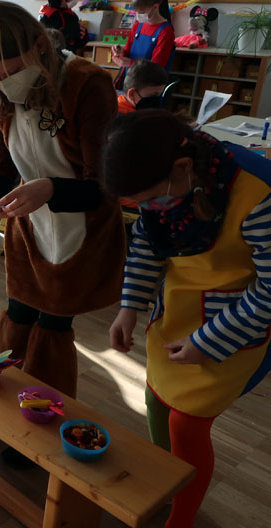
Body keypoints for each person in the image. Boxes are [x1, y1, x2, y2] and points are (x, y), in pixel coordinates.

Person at [0, 2, 125, 400]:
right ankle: (0, 398)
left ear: (39, 47)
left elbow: (104, 185)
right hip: (29, 225)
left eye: (11, 72)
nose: (5, 84)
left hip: (79, 227)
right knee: (18, 312)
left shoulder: (86, 84)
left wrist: (50, 189)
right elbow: (1, 163)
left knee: (52, 326)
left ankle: (42, 410)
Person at [106, 109, 271, 528]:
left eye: (149, 199)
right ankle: (169, 482)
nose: (147, 208)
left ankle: (180, 518)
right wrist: (130, 306)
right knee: (156, 399)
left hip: (237, 323)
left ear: (183, 167)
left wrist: (208, 341)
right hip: (177, 312)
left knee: (187, 424)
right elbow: (147, 244)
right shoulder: (166, 182)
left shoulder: (258, 192)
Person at [111, 0, 175, 89]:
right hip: (130, 80)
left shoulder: (166, 31)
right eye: (136, 12)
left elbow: (157, 67)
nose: (138, 16)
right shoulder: (137, 26)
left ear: (155, 7)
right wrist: (120, 52)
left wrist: (130, 63)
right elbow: (127, 52)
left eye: (141, 12)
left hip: (149, 85)